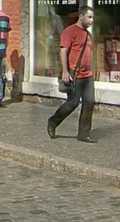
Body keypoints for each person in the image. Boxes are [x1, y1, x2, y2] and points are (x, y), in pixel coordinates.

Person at [47, 8, 97, 142]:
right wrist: (65, 71)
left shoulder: (88, 35)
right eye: (89, 17)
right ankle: (53, 121)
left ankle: (84, 133)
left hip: (88, 75)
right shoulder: (69, 31)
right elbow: (63, 51)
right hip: (75, 75)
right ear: (81, 17)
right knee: (73, 103)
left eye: (92, 18)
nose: (91, 21)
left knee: (89, 103)